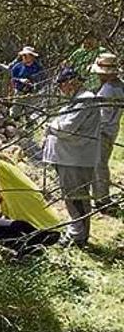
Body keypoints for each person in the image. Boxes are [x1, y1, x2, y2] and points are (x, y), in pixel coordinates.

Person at [42, 67, 100, 247]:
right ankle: (75, 232)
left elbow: (67, 128)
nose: (61, 89)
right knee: (70, 196)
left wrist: (50, 124)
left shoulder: (86, 99)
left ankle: (79, 237)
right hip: (67, 157)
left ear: (71, 82)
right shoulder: (76, 100)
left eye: (62, 85)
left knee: (77, 197)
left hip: (76, 158)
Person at [0, 146, 61, 257]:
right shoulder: (4, 191)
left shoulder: (7, 172)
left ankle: (28, 250)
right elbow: (1, 219)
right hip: (44, 232)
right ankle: (30, 248)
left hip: (46, 231)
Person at [90, 52, 123, 212]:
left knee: (99, 166)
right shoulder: (118, 85)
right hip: (111, 129)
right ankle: (100, 197)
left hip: (103, 131)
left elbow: (102, 116)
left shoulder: (109, 90)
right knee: (100, 165)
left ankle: (102, 200)